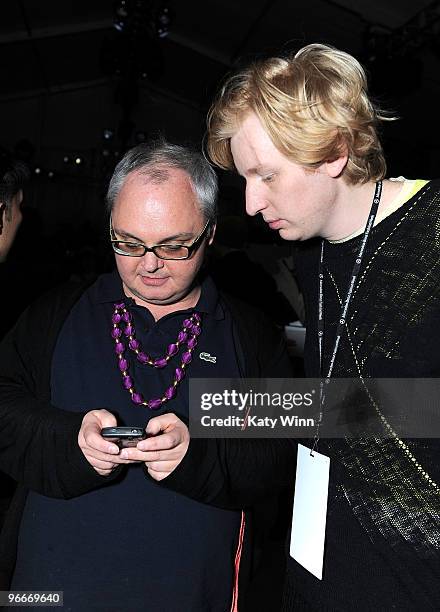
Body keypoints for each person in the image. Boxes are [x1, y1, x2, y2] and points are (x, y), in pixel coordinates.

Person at [0, 140, 296, 611]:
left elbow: (279, 458)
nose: (150, 264)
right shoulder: (55, 315)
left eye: (175, 245)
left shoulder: (248, 335)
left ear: (210, 233)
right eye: (129, 243)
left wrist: (196, 453)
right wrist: (68, 441)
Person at [205, 44, 440, 610]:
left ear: (335, 152)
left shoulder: (433, 235)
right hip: (318, 574)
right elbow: (337, 408)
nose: (252, 203)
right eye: (244, 179)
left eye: (266, 175)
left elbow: (403, 409)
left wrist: (225, 410)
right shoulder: (314, 255)